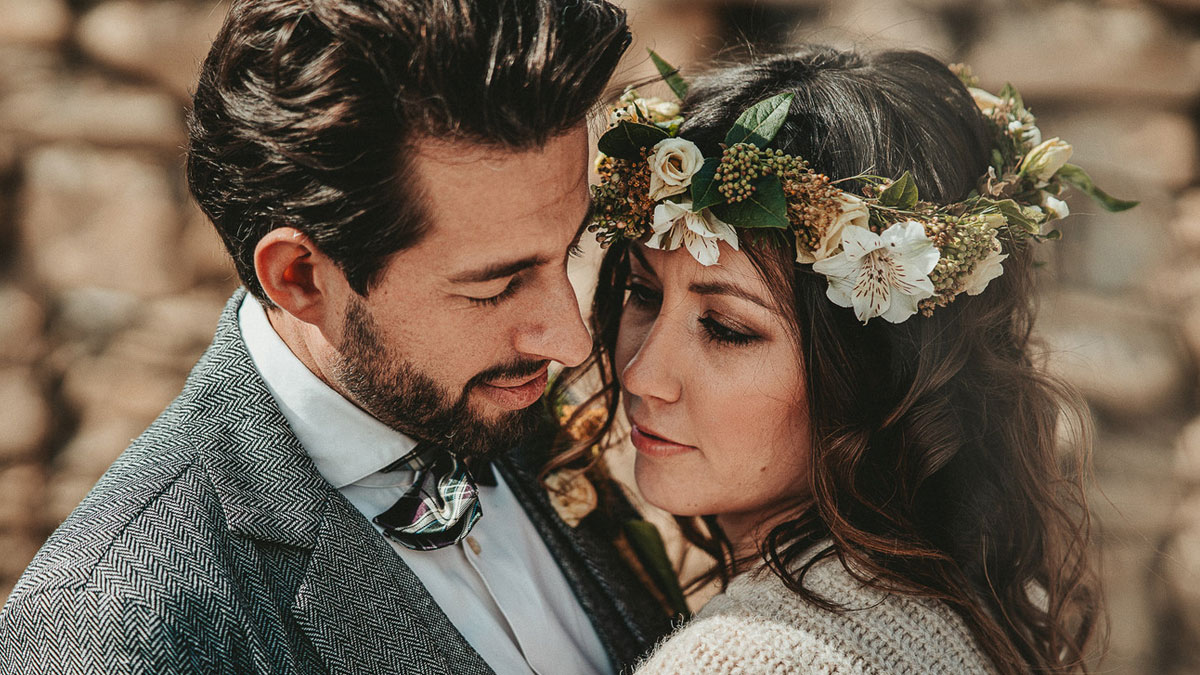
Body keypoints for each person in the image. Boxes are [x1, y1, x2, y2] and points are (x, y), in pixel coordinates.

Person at [0, 1, 676, 673]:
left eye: (570, 251)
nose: (568, 340)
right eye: (494, 287)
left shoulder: (518, 415)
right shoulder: (111, 624)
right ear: (298, 277)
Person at [551, 45, 1132, 674]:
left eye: (726, 329)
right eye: (642, 294)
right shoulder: (986, 599)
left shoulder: (748, 659)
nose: (642, 375)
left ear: (873, 368)